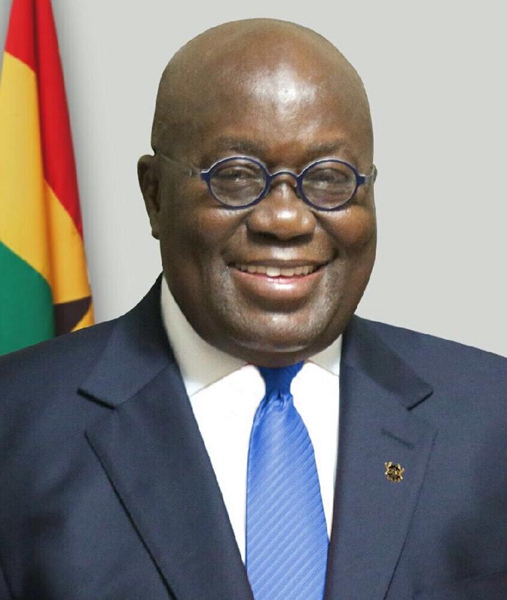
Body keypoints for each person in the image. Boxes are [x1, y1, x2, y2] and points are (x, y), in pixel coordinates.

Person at [0, 18, 506, 600]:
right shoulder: (16, 429)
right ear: (155, 195)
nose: (285, 219)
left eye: (330, 178)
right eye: (236, 177)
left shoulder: (493, 419)